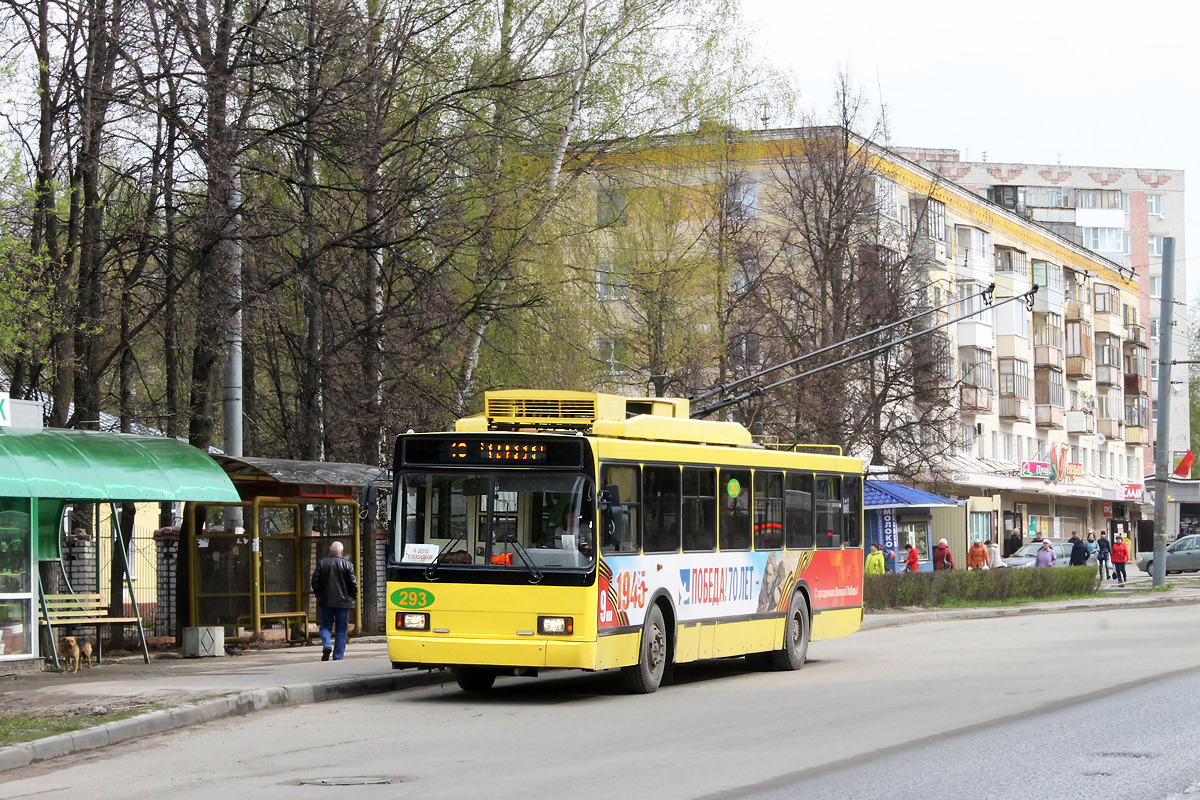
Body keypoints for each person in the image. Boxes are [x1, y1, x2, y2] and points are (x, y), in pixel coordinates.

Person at [312, 540, 358, 661]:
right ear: (341, 552)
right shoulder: (348, 565)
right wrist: (353, 596)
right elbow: (353, 584)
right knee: (341, 629)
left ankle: (327, 645)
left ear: (330, 551)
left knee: (325, 626)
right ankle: (338, 656)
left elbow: (315, 582)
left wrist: (319, 595)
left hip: (326, 601)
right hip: (343, 603)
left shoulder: (322, 564)